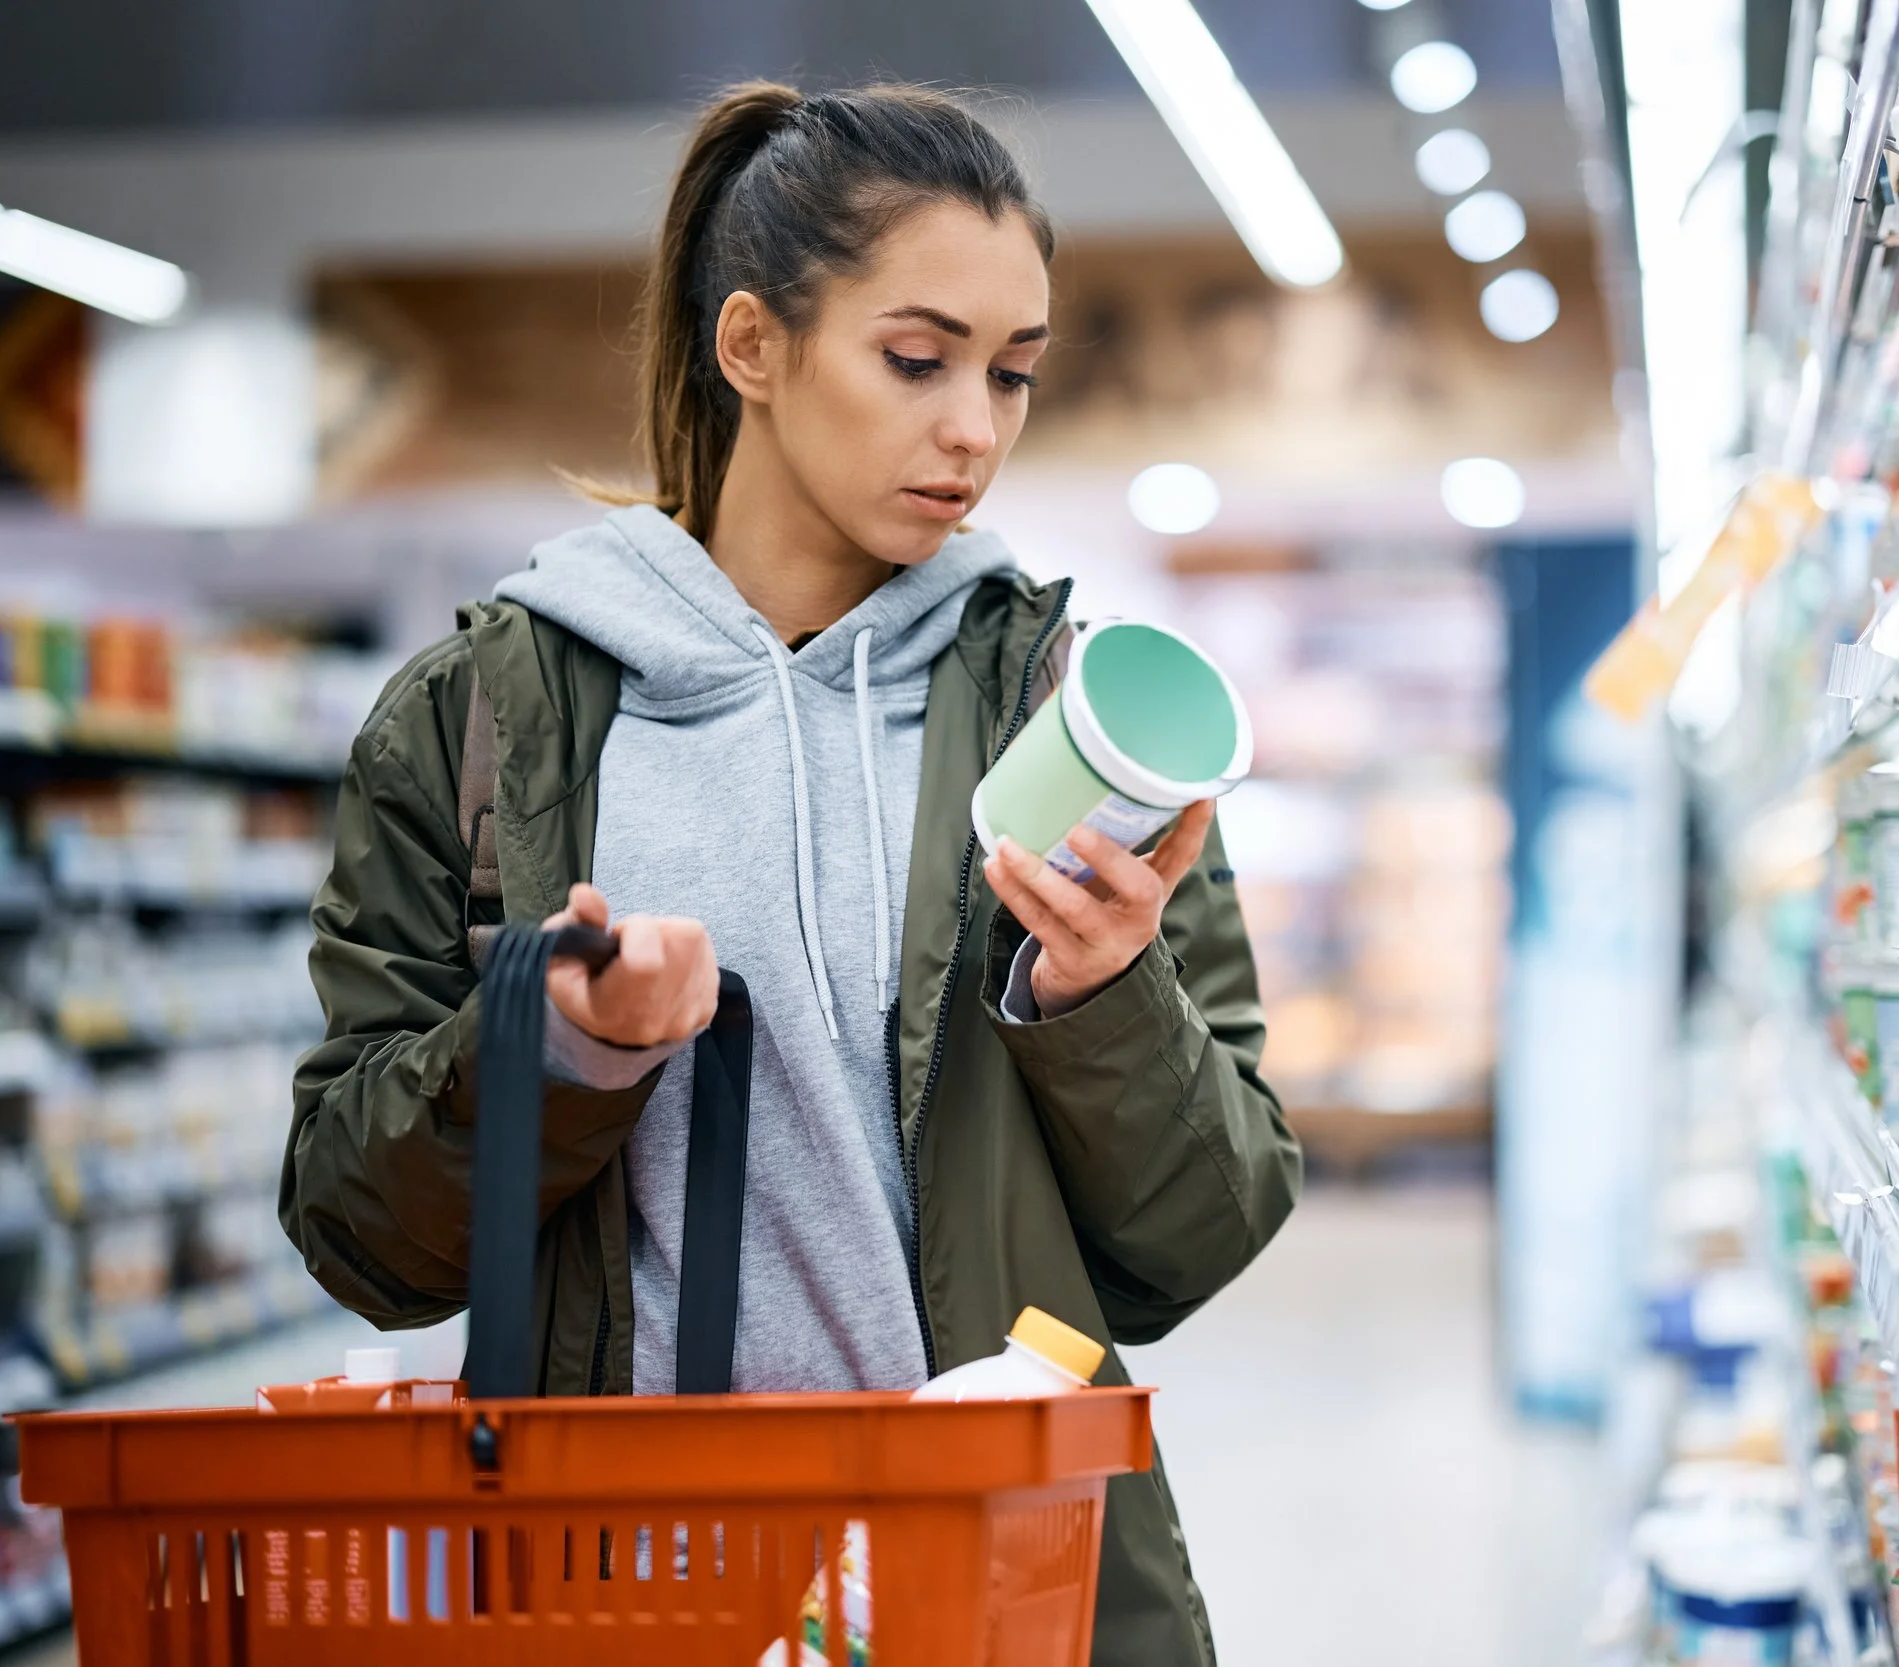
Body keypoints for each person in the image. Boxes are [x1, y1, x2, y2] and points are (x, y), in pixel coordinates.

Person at [281, 80, 1300, 1665]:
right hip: (630, 1590)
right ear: (750, 344)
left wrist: (1098, 997)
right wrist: (565, 1051)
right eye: (917, 358)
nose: (975, 426)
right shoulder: (485, 721)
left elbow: (1205, 1230)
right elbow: (358, 1231)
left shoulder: (1066, 717)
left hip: (996, 1585)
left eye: (1013, 373)